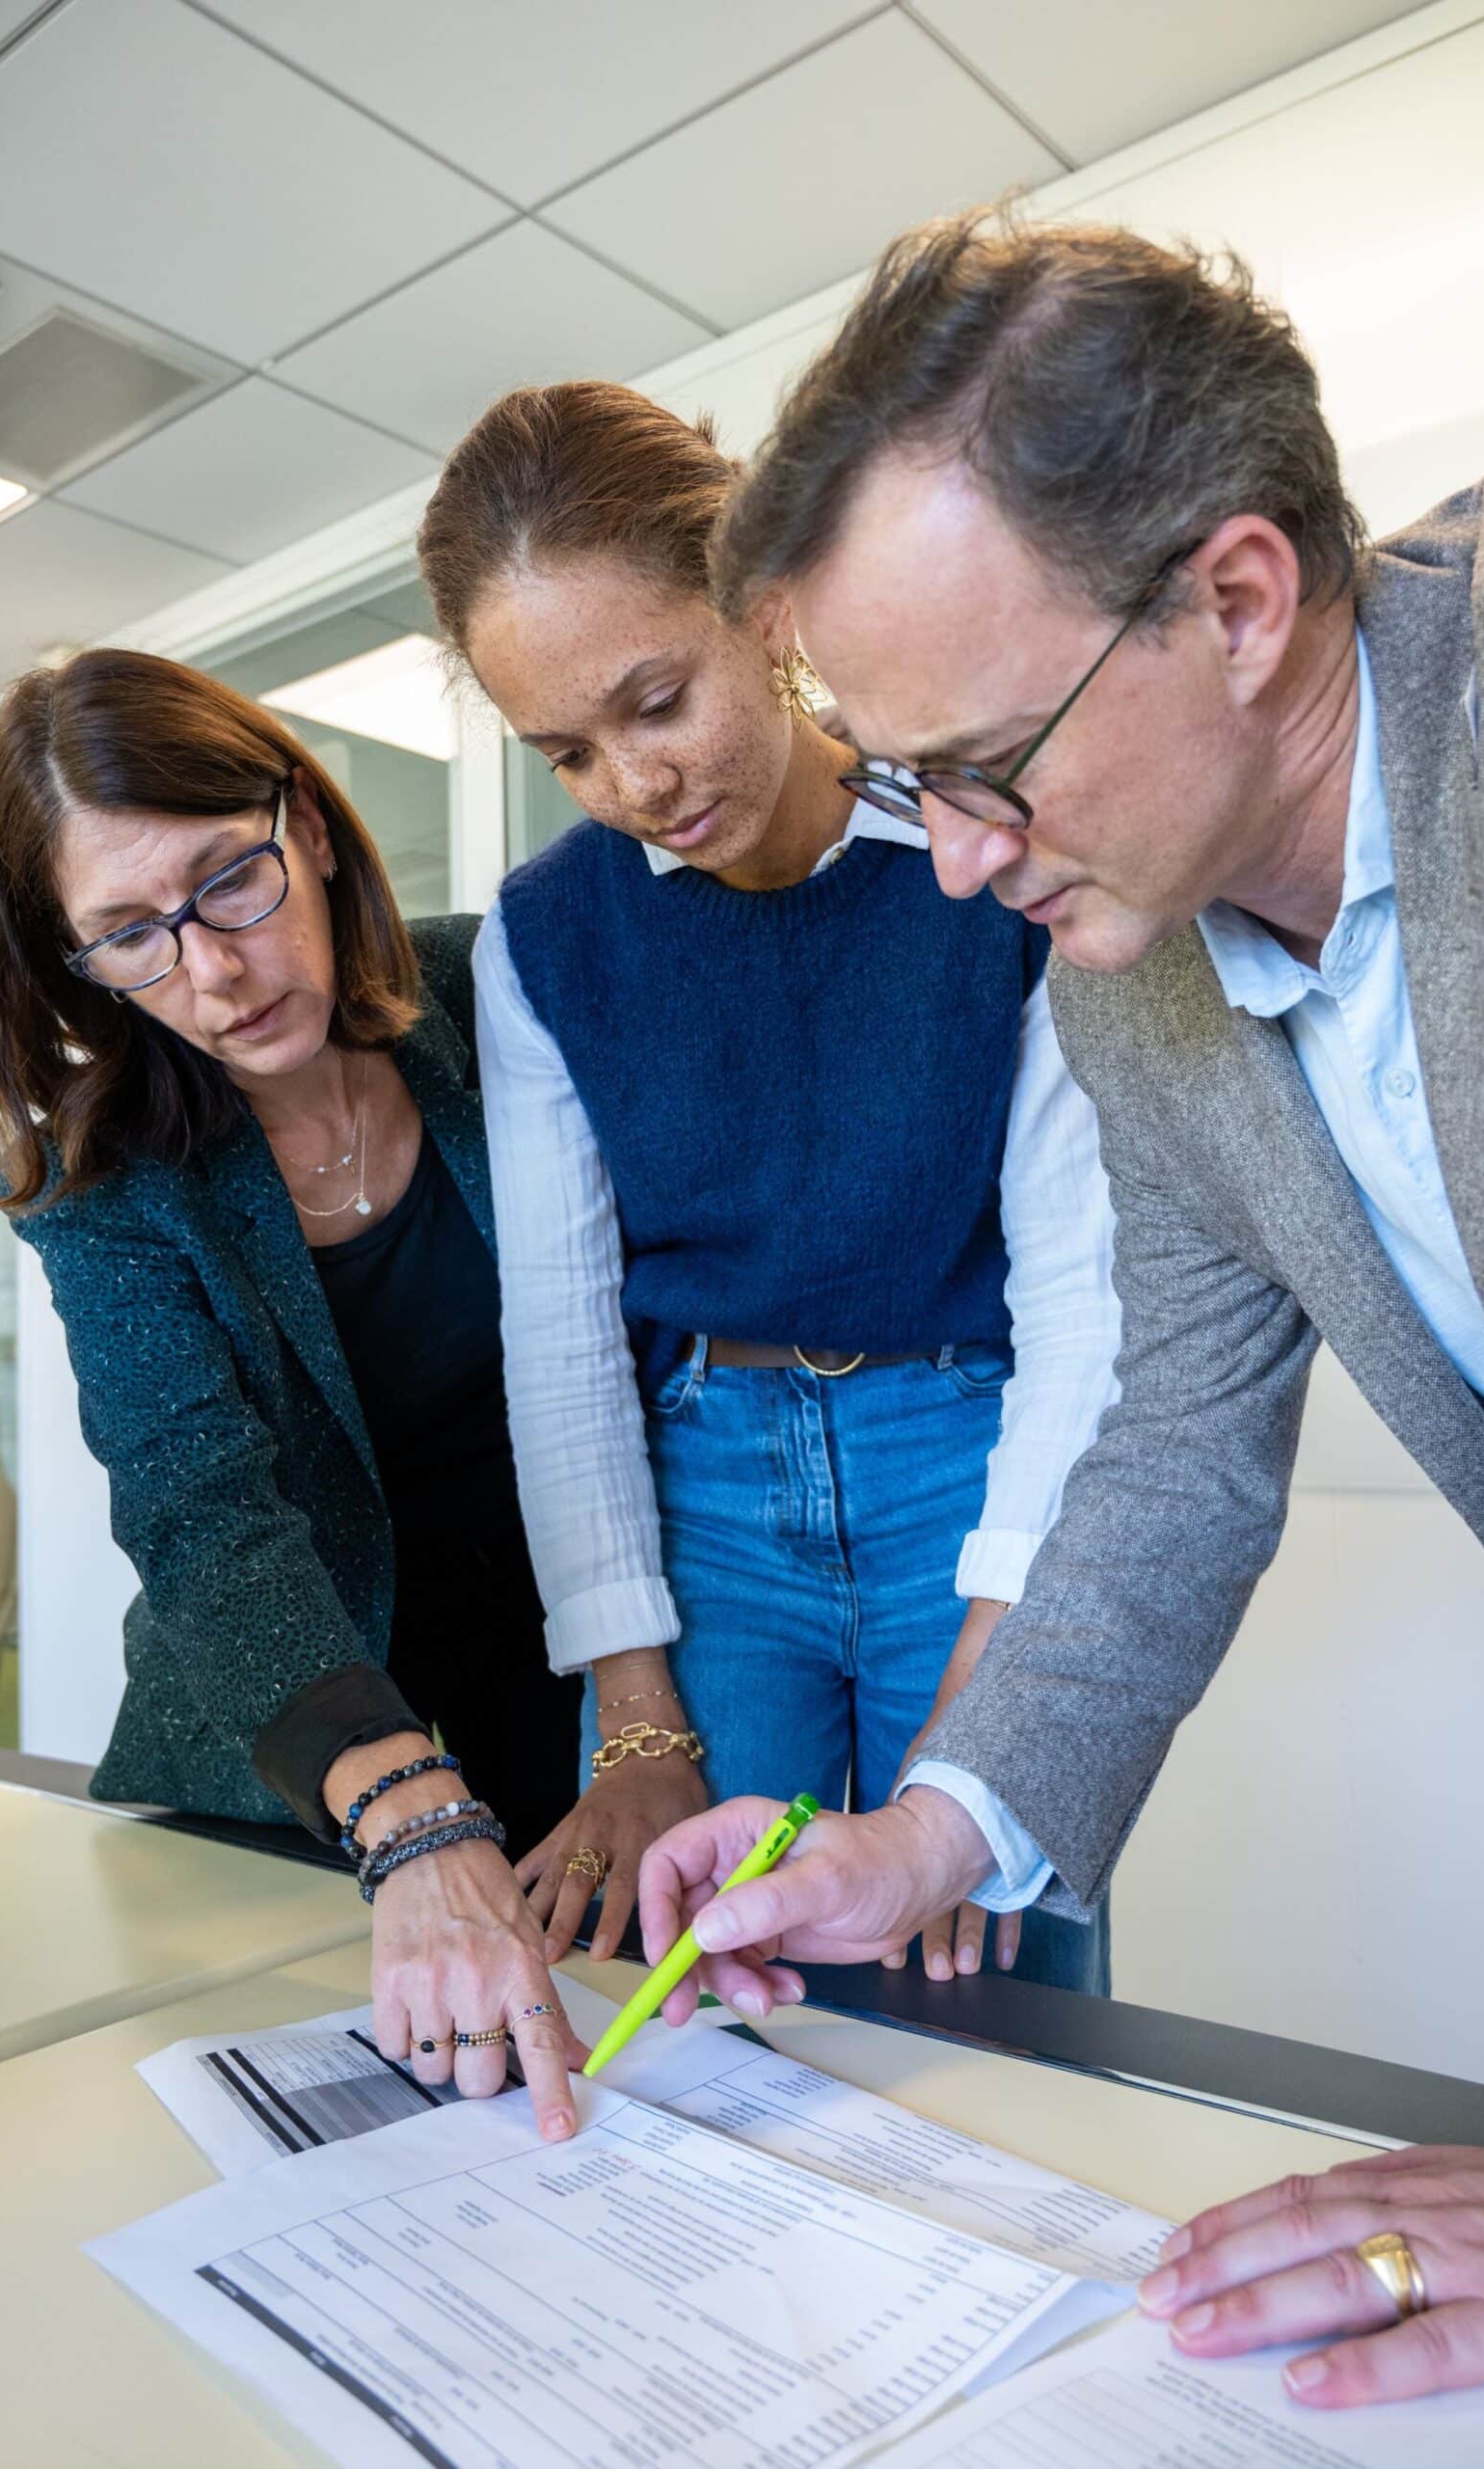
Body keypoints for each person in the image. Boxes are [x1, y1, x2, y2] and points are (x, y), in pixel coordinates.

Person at [638, 208, 1484, 2402]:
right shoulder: (1128, 981)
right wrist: (930, 1836)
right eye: (908, 783)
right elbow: (1174, 1449)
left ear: (1236, 599)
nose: (959, 859)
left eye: (988, 763)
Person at [415, 379, 1120, 1997]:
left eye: (656, 701)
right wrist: (634, 1710)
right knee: (707, 1994)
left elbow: (1081, 1293)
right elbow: (562, 1336)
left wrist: (986, 1711)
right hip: (705, 1495)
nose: (634, 783)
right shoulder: (546, 939)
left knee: (989, 1981)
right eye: (567, 752)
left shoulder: (981, 854)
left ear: (763, 606)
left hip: (971, 1457)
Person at [0, 648, 586, 2139]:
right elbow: (201, 1515)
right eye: (130, 935)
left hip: (562, 1711)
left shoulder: (491, 989)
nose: (214, 973)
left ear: (304, 821)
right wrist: (409, 1815)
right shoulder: (104, 1177)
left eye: (229, 882)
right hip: (295, 1763)